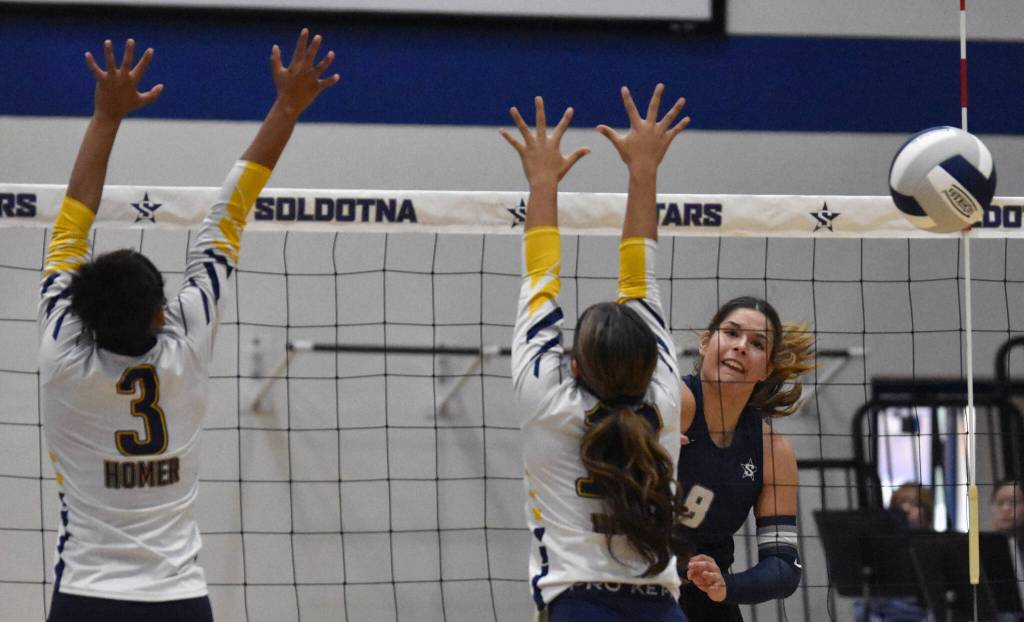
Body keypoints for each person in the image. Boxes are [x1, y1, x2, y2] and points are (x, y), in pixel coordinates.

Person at [39, 31, 338, 621]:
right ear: (160, 314)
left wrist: (104, 116)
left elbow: (71, 222)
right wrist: (286, 107)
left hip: (85, 597)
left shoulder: (62, 358)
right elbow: (229, 214)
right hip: (176, 599)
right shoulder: (186, 345)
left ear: (81, 315)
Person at [504, 84, 690, 621]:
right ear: (650, 360)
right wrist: (644, 171)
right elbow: (641, 278)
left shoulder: (548, 402)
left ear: (576, 367)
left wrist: (542, 182)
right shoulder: (666, 399)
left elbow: (541, 278)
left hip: (577, 604)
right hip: (662, 609)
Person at [675, 297, 815, 621]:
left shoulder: (772, 451)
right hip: (635, 588)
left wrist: (725, 585)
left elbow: (783, 566)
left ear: (766, 368)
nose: (740, 347)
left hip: (707, 598)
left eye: (756, 343)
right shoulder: (673, 404)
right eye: (732, 333)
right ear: (706, 342)